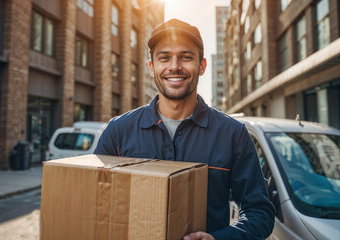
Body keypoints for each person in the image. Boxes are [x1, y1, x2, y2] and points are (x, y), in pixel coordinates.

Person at [94, 18, 275, 240]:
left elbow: (260, 213)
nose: (174, 66)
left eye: (185, 57)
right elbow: (96, 203)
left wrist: (220, 238)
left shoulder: (233, 134)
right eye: (164, 58)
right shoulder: (118, 131)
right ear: (152, 67)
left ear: (202, 66)